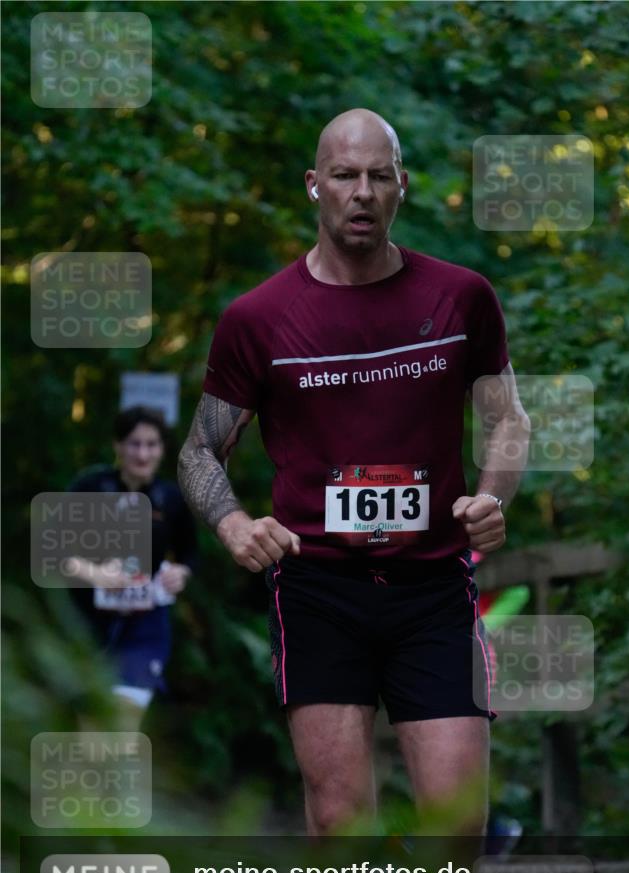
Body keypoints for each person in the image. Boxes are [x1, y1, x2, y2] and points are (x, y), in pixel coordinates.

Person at [178, 108, 530, 835]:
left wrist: (492, 496)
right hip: (318, 590)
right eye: (344, 176)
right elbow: (198, 450)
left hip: (433, 585)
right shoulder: (258, 319)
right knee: (340, 826)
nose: (362, 192)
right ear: (315, 184)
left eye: (378, 176)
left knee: (457, 823)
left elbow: (507, 419)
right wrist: (233, 524)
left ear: (402, 185)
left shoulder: (461, 297)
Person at [68, 406, 197, 729]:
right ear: (118, 446)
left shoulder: (170, 498)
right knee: (91, 729)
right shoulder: (91, 487)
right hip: (89, 626)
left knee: (123, 725)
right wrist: (96, 574)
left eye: (151, 444)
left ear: (162, 449)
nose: (142, 454)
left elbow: (189, 554)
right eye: (134, 444)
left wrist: (180, 574)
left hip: (145, 628)